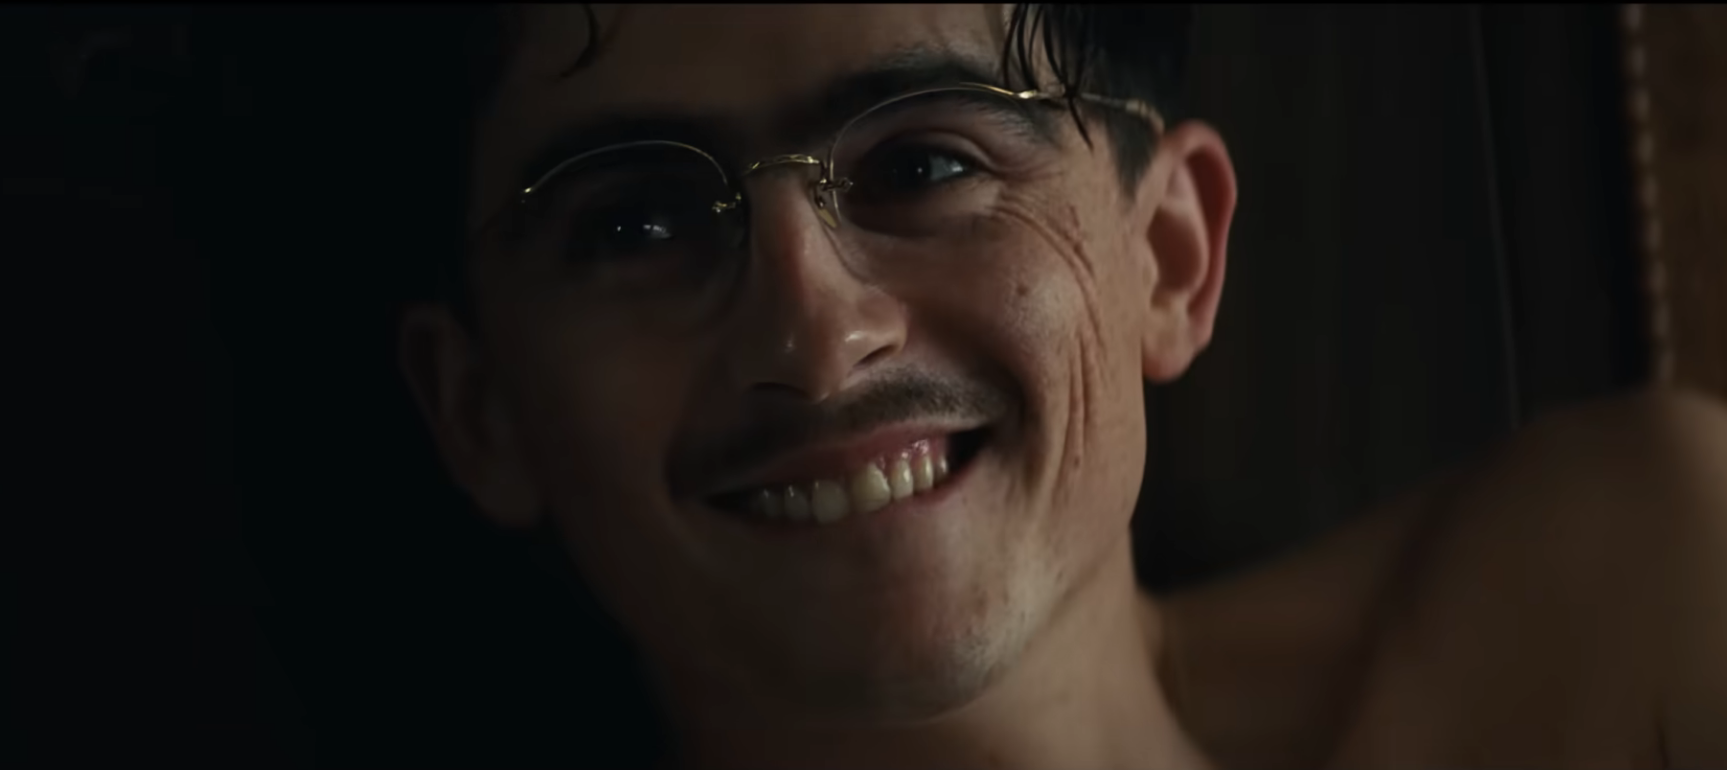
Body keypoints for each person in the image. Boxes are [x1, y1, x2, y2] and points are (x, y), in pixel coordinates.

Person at [396, 4, 1727, 768]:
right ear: (479, 411)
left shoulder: (1634, 598)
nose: (814, 337)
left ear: (1168, 256)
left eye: (923, 166)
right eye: (633, 224)